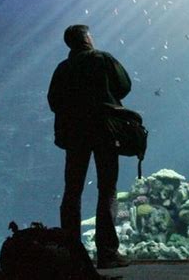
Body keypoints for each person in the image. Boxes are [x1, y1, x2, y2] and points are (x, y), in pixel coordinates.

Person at [47, 25, 132, 269]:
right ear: (86, 38)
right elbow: (124, 86)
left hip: (75, 135)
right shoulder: (102, 59)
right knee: (107, 189)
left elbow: (54, 102)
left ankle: (72, 253)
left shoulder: (63, 68)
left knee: (72, 190)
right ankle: (107, 252)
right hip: (105, 131)